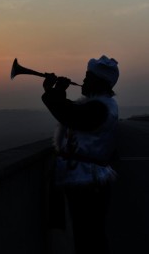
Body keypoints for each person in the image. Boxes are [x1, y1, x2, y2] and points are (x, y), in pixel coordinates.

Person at [42, 55, 119, 254]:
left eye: (88, 77)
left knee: (88, 238)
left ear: (100, 82)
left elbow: (70, 115)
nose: (83, 81)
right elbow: (71, 110)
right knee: (89, 237)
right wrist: (53, 91)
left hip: (87, 182)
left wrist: (55, 91)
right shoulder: (99, 105)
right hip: (85, 180)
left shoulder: (99, 107)